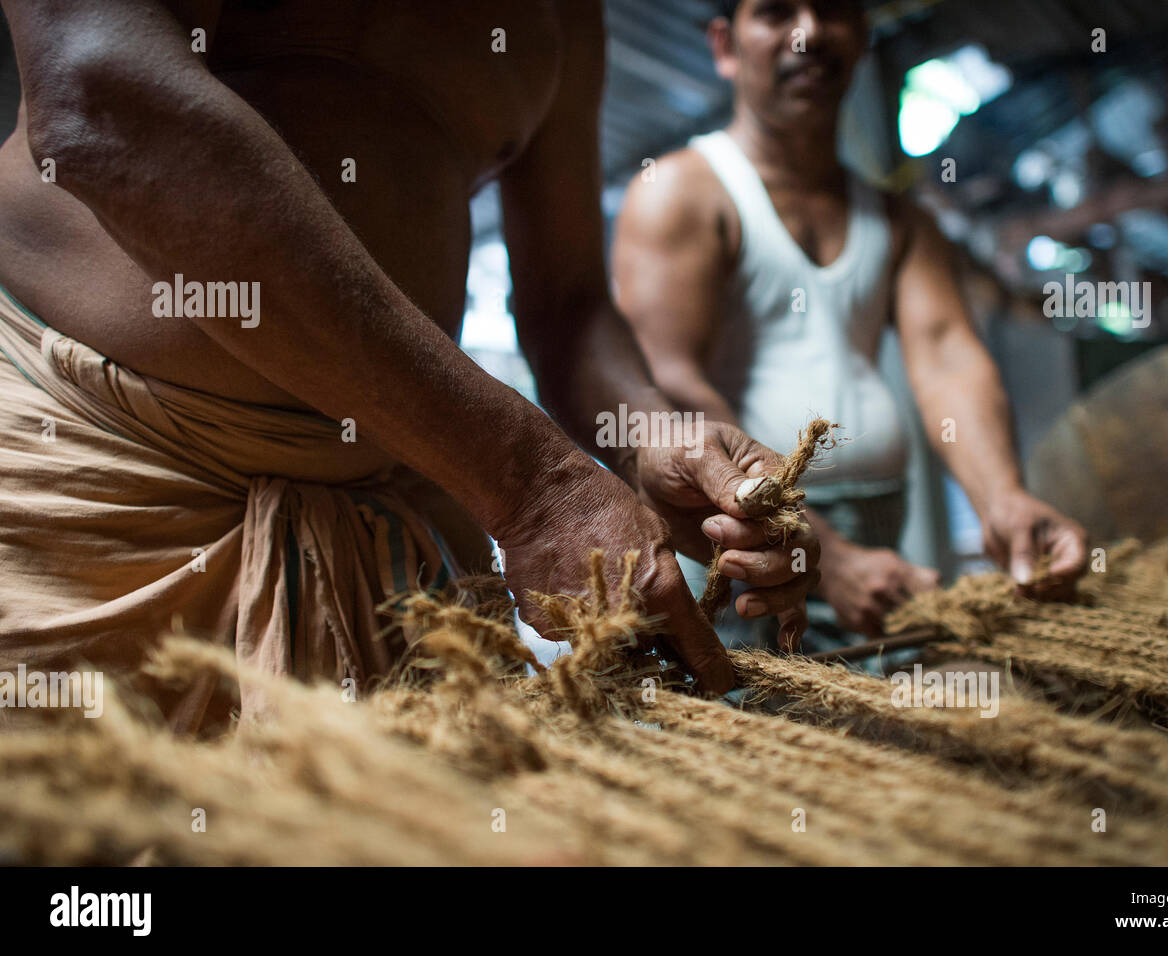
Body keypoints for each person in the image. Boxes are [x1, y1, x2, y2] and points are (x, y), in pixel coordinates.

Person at [0, 0, 819, 731]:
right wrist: (533, 485)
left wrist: (644, 432)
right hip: (85, 476)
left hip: (392, 533)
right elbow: (102, 98)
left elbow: (567, 305)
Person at [612, 0, 1087, 653]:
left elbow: (948, 359)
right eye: (776, 12)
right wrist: (824, 559)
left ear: (861, 38)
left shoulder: (899, 221)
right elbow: (667, 385)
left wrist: (1003, 499)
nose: (808, 34)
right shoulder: (680, 193)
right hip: (732, 552)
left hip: (876, 533)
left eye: (832, 11)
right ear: (724, 46)